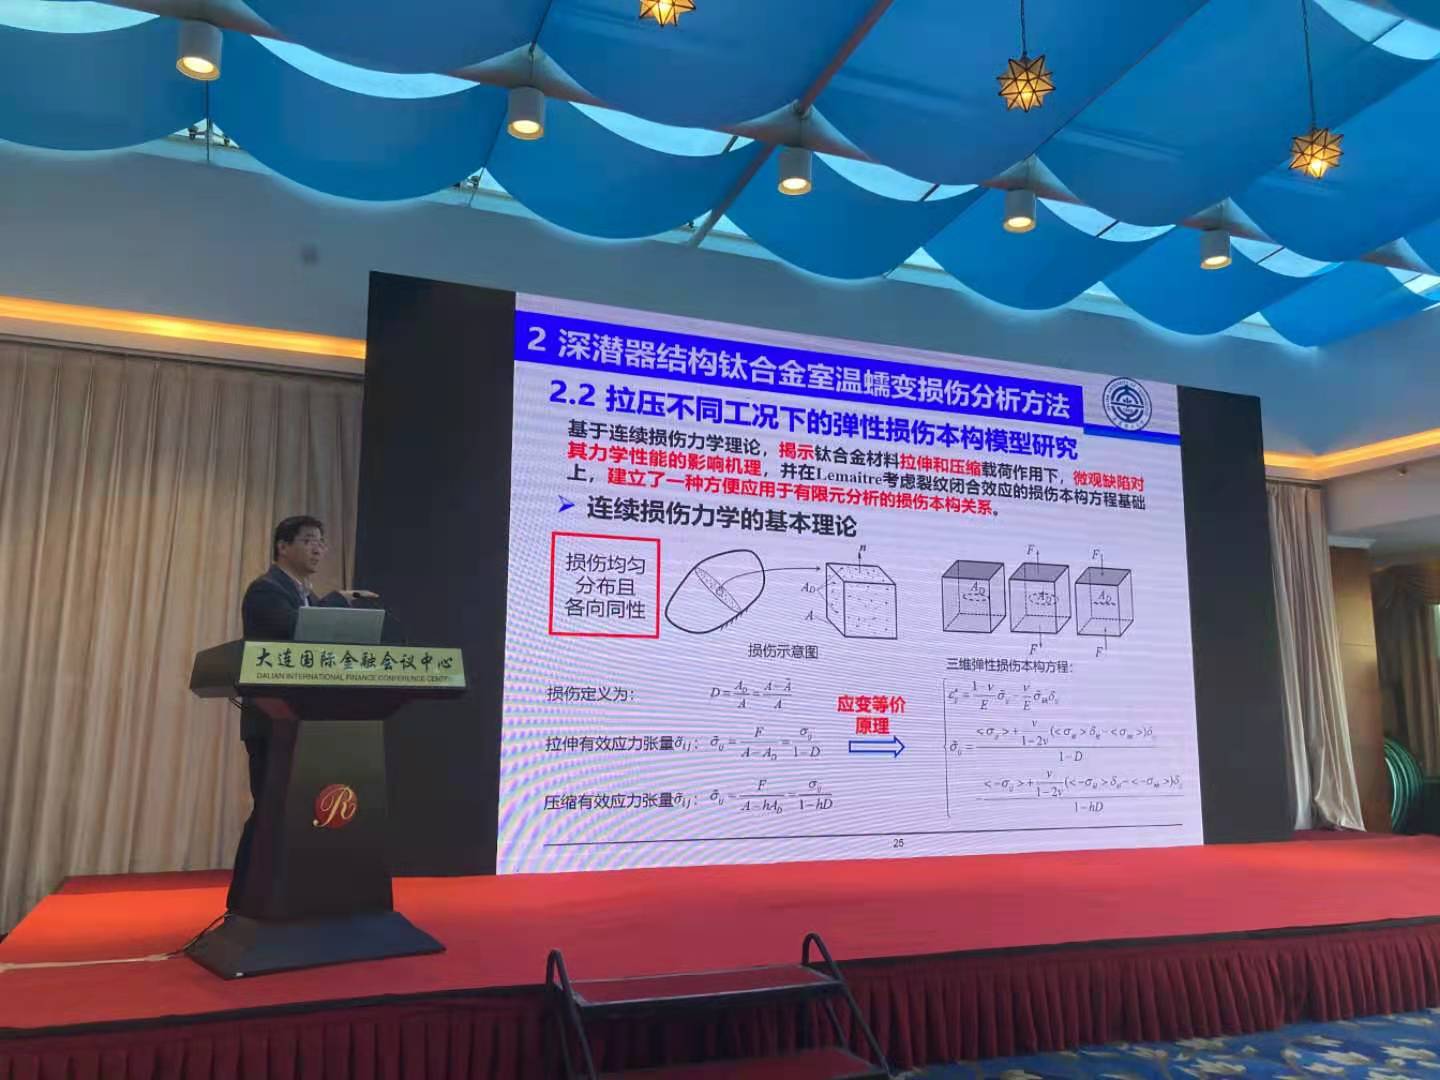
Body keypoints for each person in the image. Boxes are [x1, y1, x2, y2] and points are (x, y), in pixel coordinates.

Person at [229, 515, 377, 912]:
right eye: (309, 540)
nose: (318, 549)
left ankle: (291, 899)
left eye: (322, 542)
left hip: (308, 721)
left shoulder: (308, 597)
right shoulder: (266, 590)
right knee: (270, 811)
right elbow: (295, 629)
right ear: (283, 546)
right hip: (273, 721)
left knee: (299, 815)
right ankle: (244, 904)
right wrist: (337, 601)